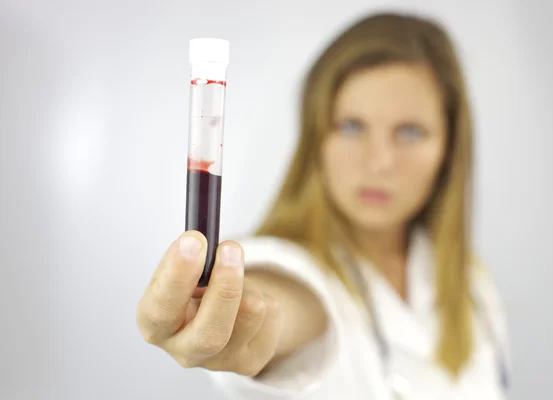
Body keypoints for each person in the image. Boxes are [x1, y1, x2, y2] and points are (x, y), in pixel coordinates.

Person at [136, 11, 510, 400]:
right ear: (317, 140)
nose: (379, 161)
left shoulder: (472, 287)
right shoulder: (290, 266)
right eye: (351, 126)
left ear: (449, 149)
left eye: (410, 131)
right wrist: (243, 313)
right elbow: (284, 302)